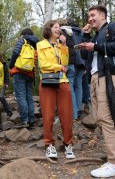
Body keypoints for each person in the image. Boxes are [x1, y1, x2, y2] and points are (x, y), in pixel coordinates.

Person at [77, 5, 115, 178]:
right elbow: (85, 58)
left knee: (107, 117)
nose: (90, 18)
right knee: (104, 118)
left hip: (109, 76)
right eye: (88, 16)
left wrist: (95, 47)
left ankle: (114, 163)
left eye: (93, 15)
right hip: (96, 77)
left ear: (102, 15)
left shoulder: (113, 27)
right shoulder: (96, 36)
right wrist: (86, 37)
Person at [37, 20, 75, 160]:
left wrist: (64, 46)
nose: (59, 29)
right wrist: (59, 67)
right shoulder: (41, 44)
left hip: (63, 81)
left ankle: (68, 144)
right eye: (56, 27)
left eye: (60, 28)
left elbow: (65, 63)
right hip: (47, 81)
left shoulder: (62, 46)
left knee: (67, 115)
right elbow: (43, 64)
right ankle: (49, 145)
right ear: (49, 29)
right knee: (48, 115)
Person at [9, 28, 39, 129]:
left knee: (21, 96)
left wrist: (11, 65)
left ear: (23, 34)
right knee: (29, 97)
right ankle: (31, 120)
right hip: (30, 73)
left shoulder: (23, 40)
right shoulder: (36, 44)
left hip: (19, 71)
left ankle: (24, 120)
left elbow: (16, 53)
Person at [67, 18, 86, 118]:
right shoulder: (81, 33)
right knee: (79, 85)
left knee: (71, 87)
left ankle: (73, 113)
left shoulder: (68, 32)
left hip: (74, 61)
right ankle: (78, 109)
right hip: (82, 61)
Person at [0, 51, 13, 117]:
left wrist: (6, 83)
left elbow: (6, 73)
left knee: (1, 97)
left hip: (2, 83)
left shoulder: (3, 64)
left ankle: (9, 111)